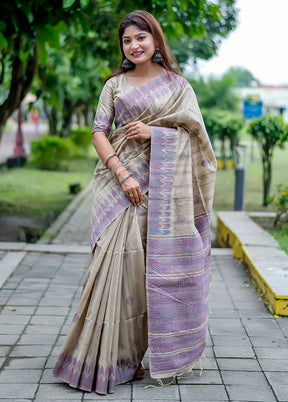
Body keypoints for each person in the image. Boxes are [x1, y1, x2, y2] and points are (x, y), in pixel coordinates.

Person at [53, 10, 216, 395]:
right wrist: (122, 173)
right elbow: (98, 132)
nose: (134, 45)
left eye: (141, 37)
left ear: (155, 40)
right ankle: (111, 358)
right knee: (114, 269)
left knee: (154, 275)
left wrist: (155, 132)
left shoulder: (179, 86)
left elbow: (198, 140)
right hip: (118, 187)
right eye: (127, 40)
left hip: (164, 196)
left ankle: (153, 350)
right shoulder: (115, 85)